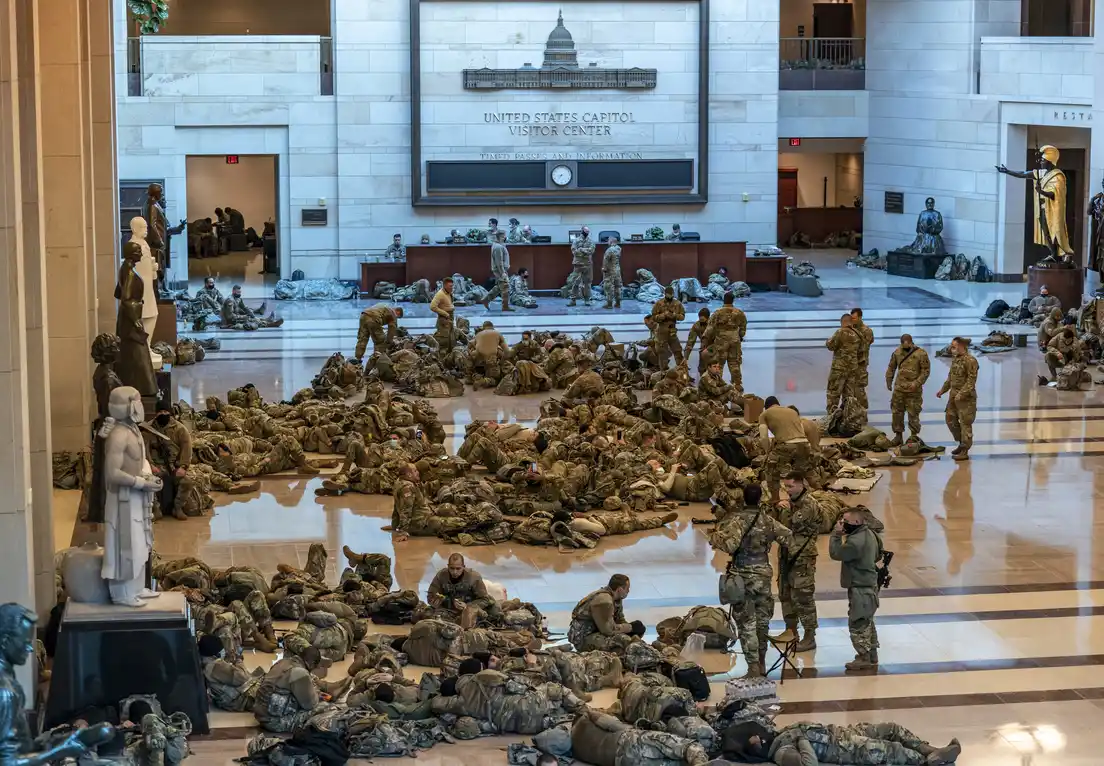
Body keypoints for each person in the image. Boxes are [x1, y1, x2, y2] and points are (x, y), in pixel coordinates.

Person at [710, 484, 794, 678]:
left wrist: (714, 538)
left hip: (743, 576)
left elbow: (730, 545)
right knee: (762, 622)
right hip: (763, 575)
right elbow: (788, 538)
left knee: (746, 622)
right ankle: (762, 662)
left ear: (743, 499)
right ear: (759, 499)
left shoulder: (737, 521)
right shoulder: (768, 520)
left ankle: (753, 667)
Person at [829, 507, 884, 672]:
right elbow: (878, 555)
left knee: (858, 622)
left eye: (845, 521)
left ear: (857, 522)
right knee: (867, 620)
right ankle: (872, 653)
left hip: (860, 586)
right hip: (870, 583)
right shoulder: (872, 534)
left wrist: (836, 535)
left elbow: (836, 553)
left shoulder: (854, 542)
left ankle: (863, 656)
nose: (842, 524)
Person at [997, 145, 1074, 264]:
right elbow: (1023, 174)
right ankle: (1053, 254)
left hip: (1053, 210)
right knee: (1046, 232)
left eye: (1043, 160)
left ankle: (1065, 253)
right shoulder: (1041, 173)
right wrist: (1007, 171)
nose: (1041, 162)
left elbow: (1056, 195)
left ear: (1049, 162)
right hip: (1043, 209)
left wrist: (1041, 191)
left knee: (1056, 231)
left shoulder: (1058, 176)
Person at [763, 721, 961, 765]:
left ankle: (932, 750)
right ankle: (929, 761)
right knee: (892, 750)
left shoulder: (779, 733)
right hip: (844, 748)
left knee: (891, 729)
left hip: (843, 732)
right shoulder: (781, 752)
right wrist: (801, 738)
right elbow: (809, 764)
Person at [772, 475, 821, 652]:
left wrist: (783, 509)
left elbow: (787, 525)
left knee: (803, 597)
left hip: (802, 556)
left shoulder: (809, 504)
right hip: (787, 553)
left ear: (801, 485)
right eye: (785, 486)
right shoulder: (792, 502)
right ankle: (791, 631)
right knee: (785, 592)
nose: (788, 490)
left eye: (791, 486)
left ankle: (809, 636)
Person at [567, 574, 641, 654]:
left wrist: (631, 629)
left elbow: (620, 619)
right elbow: (608, 630)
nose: (628, 591)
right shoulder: (604, 601)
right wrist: (630, 627)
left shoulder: (616, 598)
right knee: (622, 641)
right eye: (627, 588)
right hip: (584, 638)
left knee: (635, 631)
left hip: (596, 632)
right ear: (619, 589)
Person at [759, 396, 811, 504]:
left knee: (771, 470)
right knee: (800, 473)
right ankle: (805, 498)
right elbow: (800, 429)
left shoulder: (765, 414)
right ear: (778, 404)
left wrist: (767, 451)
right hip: (804, 444)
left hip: (787, 445)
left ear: (766, 407)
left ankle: (775, 499)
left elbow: (763, 437)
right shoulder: (792, 411)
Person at [144, 409, 194, 520]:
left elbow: (187, 449)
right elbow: (144, 450)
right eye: (160, 412)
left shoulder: (179, 429)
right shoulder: (148, 429)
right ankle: (156, 509)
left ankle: (177, 508)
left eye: (165, 411)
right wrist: (150, 465)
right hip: (156, 466)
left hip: (173, 466)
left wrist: (183, 466)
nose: (163, 414)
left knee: (187, 482)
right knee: (149, 481)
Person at [427, 553, 500, 625]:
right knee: (427, 615)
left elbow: (484, 599)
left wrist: (467, 606)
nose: (455, 572)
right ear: (448, 567)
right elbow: (430, 597)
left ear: (463, 567)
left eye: (458, 568)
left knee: (493, 616)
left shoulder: (473, 577)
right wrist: (449, 602)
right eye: (452, 568)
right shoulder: (441, 576)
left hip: (471, 609)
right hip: (448, 610)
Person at [198, 634, 264, 712]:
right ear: (216, 653)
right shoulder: (216, 666)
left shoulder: (207, 664)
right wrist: (238, 660)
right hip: (243, 700)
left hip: (233, 700)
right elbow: (243, 678)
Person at [936, 337, 978, 461]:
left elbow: (971, 381)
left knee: (965, 423)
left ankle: (965, 449)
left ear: (962, 347)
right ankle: (961, 442)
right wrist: (942, 390)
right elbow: (950, 378)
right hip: (953, 396)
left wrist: (961, 394)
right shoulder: (956, 359)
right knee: (950, 419)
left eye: (954, 347)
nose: (951, 349)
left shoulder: (971, 361)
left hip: (966, 399)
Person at [885, 334, 930, 446]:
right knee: (897, 413)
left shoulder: (921, 353)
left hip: (913, 390)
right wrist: (889, 380)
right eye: (903, 345)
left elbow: (926, 371)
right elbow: (891, 367)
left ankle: (913, 436)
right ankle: (898, 436)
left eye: (907, 345)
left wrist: (917, 383)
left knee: (913, 413)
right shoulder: (897, 352)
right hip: (899, 389)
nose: (905, 347)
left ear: (911, 342)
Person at [703, 292, 747, 391]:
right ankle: (737, 384)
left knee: (719, 363)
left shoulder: (717, 313)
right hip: (734, 340)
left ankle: (718, 383)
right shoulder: (739, 313)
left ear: (723, 300)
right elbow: (743, 328)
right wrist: (739, 335)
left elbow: (710, 329)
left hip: (721, 341)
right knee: (734, 362)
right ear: (733, 300)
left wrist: (706, 341)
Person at [826, 313, 859, 413]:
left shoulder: (840, 332)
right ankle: (848, 420)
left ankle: (831, 420)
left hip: (839, 369)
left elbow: (830, 346)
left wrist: (827, 341)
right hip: (852, 369)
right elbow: (862, 350)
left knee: (833, 394)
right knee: (849, 396)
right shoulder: (858, 334)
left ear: (842, 322)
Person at [651, 285, 686, 370]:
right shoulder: (659, 303)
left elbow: (682, 316)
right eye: (668, 294)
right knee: (662, 353)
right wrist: (662, 316)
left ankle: (682, 371)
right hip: (661, 331)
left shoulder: (677, 304)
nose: (670, 295)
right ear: (665, 294)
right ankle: (663, 371)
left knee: (677, 350)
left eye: (671, 294)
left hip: (672, 331)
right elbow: (653, 317)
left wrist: (674, 315)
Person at [481, 229, 514, 311]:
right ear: (501, 236)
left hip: (500, 270)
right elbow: (499, 262)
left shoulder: (498, 245)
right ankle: (505, 306)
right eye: (504, 236)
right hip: (500, 270)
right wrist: (502, 272)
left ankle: (486, 300)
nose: (505, 237)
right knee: (505, 287)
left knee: (499, 287)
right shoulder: (498, 247)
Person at [849, 308, 874, 411]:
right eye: (851, 318)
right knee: (850, 388)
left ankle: (863, 409)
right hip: (850, 364)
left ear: (860, 317)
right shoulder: (850, 328)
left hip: (860, 364)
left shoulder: (866, 331)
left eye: (854, 318)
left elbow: (864, 346)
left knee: (858, 388)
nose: (852, 320)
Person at [569, 226, 595, 307]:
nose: (587, 232)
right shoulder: (576, 241)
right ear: (582, 231)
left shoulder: (590, 241)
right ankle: (573, 300)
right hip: (578, 264)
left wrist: (581, 250)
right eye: (585, 231)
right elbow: (574, 251)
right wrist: (585, 252)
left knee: (587, 283)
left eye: (588, 231)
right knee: (575, 282)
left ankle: (587, 300)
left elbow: (592, 251)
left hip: (587, 264)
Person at [431, 277, 456, 354]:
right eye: (450, 286)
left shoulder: (449, 293)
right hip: (444, 318)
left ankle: (450, 357)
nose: (452, 288)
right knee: (444, 341)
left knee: (451, 339)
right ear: (444, 285)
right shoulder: (440, 294)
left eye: (452, 286)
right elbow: (432, 306)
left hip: (450, 317)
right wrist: (445, 313)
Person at [684, 307, 711, 375]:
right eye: (700, 319)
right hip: (704, 346)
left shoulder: (713, 324)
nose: (701, 321)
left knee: (713, 367)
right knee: (701, 368)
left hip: (715, 346)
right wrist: (686, 357)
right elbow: (690, 341)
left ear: (708, 318)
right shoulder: (696, 326)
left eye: (703, 319)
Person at [602, 234, 623, 309]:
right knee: (618, 286)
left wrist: (604, 269)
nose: (608, 242)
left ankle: (609, 304)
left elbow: (606, 260)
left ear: (611, 241)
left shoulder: (609, 250)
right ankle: (618, 303)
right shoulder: (619, 248)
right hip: (617, 270)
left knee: (608, 287)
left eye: (608, 240)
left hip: (610, 270)